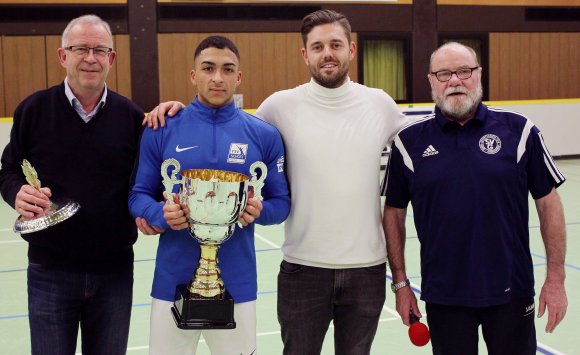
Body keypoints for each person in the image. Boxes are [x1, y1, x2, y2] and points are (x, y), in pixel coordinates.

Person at [148, 10, 409, 354]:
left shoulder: (380, 104)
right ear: (305, 54)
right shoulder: (278, 107)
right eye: (317, 46)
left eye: (335, 44)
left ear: (352, 49)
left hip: (367, 272)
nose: (327, 53)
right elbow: (228, 129)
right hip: (303, 271)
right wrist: (183, 112)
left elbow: (426, 148)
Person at [382, 42, 568, 354]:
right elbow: (393, 214)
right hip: (444, 296)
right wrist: (401, 285)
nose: (454, 80)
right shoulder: (407, 144)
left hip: (512, 292)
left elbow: (548, 202)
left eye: (464, 71)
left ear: (479, 75)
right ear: (431, 81)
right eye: (443, 74)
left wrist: (556, 278)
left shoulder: (520, 131)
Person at [0, 14, 161, 355]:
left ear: (111, 59)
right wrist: (17, 192)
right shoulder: (32, 110)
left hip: (114, 274)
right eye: (80, 49)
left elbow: (146, 186)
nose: (90, 57)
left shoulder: (131, 118)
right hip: (49, 272)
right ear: (63, 56)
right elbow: (8, 170)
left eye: (100, 50)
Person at [128, 35, 290, 355]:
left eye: (228, 69)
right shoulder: (162, 128)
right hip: (170, 282)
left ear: (238, 77)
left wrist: (258, 210)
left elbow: (281, 204)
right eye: (208, 68)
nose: (218, 77)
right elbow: (138, 195)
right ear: (193, 75)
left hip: (238, 285)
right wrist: (162, 214)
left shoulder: (264, 136)